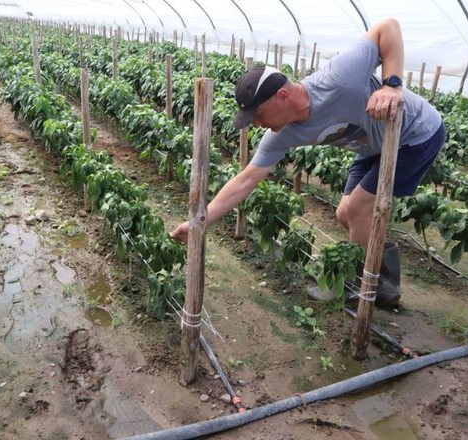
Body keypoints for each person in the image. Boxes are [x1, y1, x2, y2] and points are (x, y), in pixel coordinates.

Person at [171, 18, 445, 308]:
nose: (259, 124)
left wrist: (392, 86)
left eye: (259, 116)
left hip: (415, 135)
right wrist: (200, 221)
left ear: (283, 97)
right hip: (372, 145)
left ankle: (366, 285)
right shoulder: (282, 134)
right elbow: (246, 179)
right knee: (344, 214)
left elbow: (387, 27)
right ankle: (381, 280)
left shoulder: (337, 78)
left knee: (358, 207)